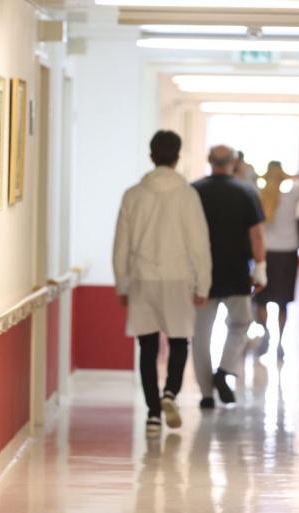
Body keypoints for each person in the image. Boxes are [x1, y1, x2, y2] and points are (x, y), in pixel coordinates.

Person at [113, 130, 212, 437]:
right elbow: (199, 244)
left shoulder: (133, 195)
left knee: (147, 346)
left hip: (143, 278)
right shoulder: (187, 195)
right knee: (180, 340)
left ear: (151, 155)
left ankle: (153, 416)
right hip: (178, 277)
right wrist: (203, 285)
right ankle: (170, 392)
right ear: (177, 157)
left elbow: (121, 245)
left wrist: (122, 284)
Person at [192, 145, 267, 408]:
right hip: (237, 271)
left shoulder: (194, 191)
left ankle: (206, 394)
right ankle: (225, 370)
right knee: (240, 323)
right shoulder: (246, 192)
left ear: (209, 160)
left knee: (200, 334)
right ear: (234, 162)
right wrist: (260, 269)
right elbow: (257, 235)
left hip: (202, 273)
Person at [252, 161, 299, 359]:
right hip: (288, 254)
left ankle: (266, 333)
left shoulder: (259, 195)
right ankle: (279, 342)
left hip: (266, 253)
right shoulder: (291, 196)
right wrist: (290, 176)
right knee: (283, 301)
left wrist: (262, 177)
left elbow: (247, 177)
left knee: (260, 299)